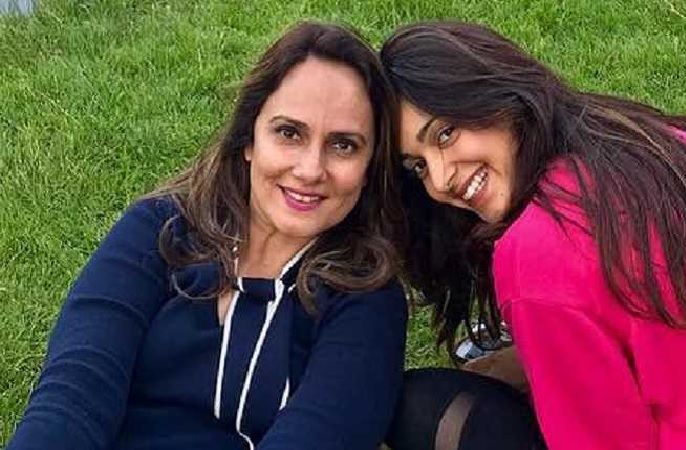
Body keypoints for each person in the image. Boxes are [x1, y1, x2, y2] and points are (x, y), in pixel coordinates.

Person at [8, 22, 408, 450]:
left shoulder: (366, 299)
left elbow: (320, 436)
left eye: (343, 145)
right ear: (249, 139)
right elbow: (75, 393)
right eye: (289, 133)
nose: (310, 169)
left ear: (369, 167)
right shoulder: (159, 229)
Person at [381, 21, 686, 450]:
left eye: (445, 134)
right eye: (418, 166)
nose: (441, 179)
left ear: (491, 94)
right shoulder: (645, 139)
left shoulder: (535, 256)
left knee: (419, 405)